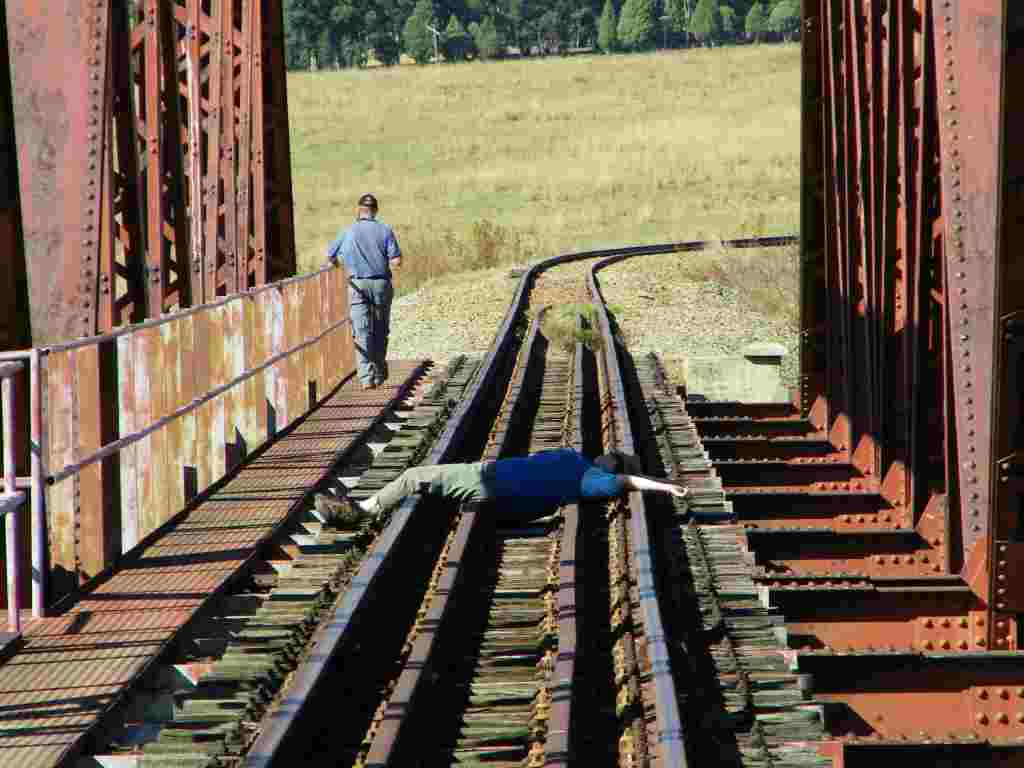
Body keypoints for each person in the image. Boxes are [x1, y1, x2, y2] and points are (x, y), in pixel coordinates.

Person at [313, 448, 688, 527]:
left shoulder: (595, 480)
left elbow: (626, 482)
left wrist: (665, 488)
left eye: (613, 457)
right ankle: (364, 509)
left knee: (414, 476)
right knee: (420, 482)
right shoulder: (577, 460)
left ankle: (359, 511)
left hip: (489, 482)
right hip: (487, 475)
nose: (607, 456)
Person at [327, 193, 402, 390]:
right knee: (380, 329)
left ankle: (366, 378)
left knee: (361, 332)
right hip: (381, 285)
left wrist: (339, 264)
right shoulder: (385, 230)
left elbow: (330, 257)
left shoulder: (348, 231)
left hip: (357, 286)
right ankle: (378, 372)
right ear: (375, 211)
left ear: (359, 210)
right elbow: (396, 261)